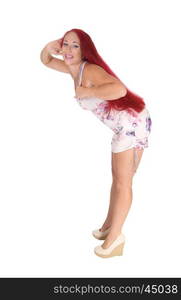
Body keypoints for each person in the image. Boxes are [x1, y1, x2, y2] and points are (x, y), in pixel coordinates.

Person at [40, 28, 152, 258]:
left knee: (123, 182)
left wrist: (86, 91)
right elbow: (46, 61)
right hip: (127, 123)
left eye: (75, 46)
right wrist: (51, 45)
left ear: (85, 50)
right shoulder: (74, 69)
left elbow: (119, 89)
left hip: (132, 124)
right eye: (66, 44)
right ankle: (108, 226)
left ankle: (115, 239)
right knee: (118, 178)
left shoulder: (90, 70)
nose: (69, 50)